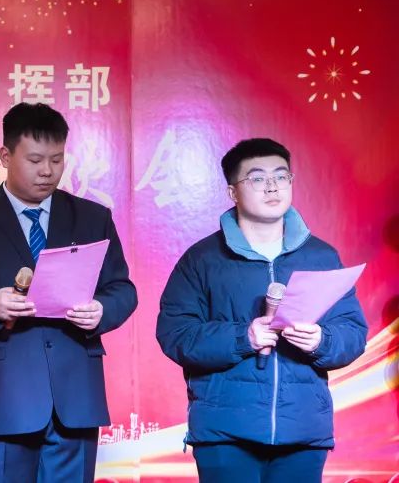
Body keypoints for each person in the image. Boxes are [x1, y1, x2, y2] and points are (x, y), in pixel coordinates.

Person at [0, 102, 137, 482]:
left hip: (75, 397)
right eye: (35, 160)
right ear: (5, 156)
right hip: (2, 398)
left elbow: (122, 289)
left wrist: (102, 309)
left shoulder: (93, 218)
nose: (47, 171)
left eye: (57, 159)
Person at [156, 138, 367, 482]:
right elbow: (175, 334)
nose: (272, 186)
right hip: (225, 432)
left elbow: (353, 332)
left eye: (281, 176)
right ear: (232, 192)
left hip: (303, 430)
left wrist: (321, 341)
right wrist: (244, 337)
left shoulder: (322, 256)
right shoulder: (202, 259)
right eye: (257, 178)